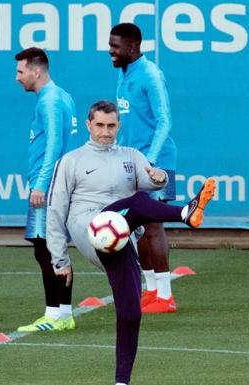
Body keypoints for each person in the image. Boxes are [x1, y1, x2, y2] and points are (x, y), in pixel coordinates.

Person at [47, 101, 216, 385]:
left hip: (120, 235)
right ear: (88, 125)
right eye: (99, 125)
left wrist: (160, 178)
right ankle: (185, 213)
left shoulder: (131, 155)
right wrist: (59, 259)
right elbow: (55, 210)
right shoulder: (71, 160)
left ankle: (121, 381)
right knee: (138, 202)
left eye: (111, 126)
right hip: (90, 227)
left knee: (130, 312)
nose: (105, 132)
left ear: (119, 126)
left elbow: (152, 181)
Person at [108, 23, 180, 313]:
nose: (110, 51)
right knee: (137, 227)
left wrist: (149, 160)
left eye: (115, 46)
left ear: (133, 47)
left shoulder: (150, 75)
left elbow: (165, 120)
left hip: (158, 161)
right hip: (133, 161)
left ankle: (165, 295)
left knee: (153, 225)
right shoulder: (123, 75)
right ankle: (151, 291)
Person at [14, 47, 79, 331]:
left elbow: (53, 143)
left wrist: (41, 184)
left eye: (20, 71)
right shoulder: (62, 95)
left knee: (46, 249)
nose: (17, 77)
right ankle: (64, 314)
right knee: (54, 248)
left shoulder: (49, 101)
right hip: (60, 183)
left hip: (50, 186)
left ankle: (53, 314)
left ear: (35, 71)